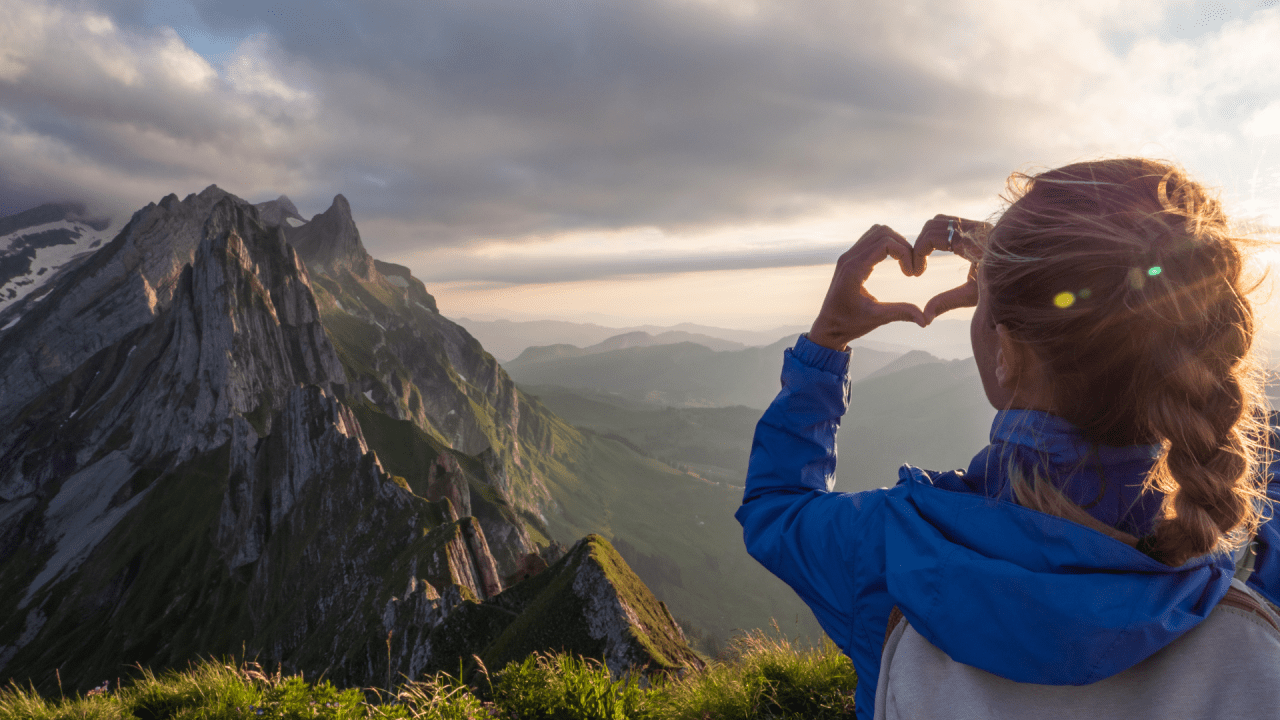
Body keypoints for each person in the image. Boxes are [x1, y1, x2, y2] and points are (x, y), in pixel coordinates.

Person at [735, 157, 1280, 719]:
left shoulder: (889, 549)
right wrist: (1025, 279)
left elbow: (776, 506)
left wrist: (827, 342)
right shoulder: (1254, 575)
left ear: (1009, 356)